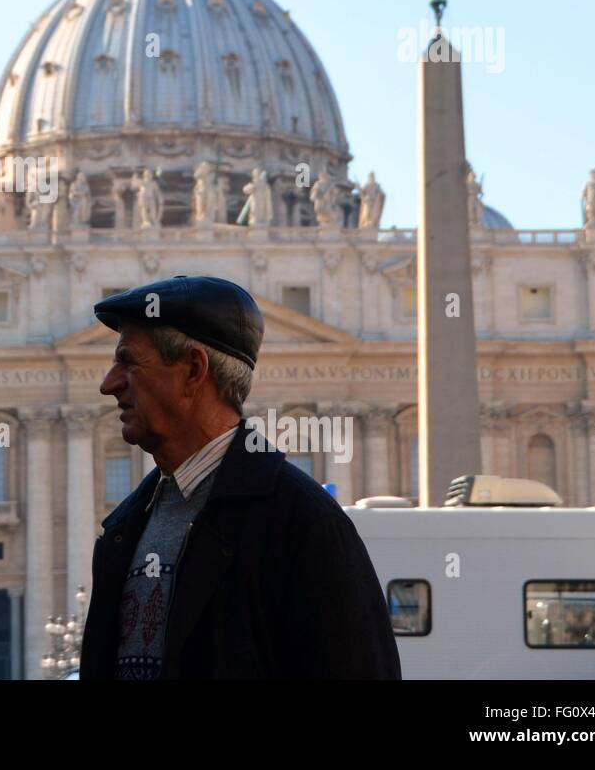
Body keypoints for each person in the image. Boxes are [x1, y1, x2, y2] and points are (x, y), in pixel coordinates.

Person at [79, 275, 401, 680]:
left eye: (127, 362)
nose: (108, 384)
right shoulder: (124, 527)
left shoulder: (305, 524)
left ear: (194, 370)